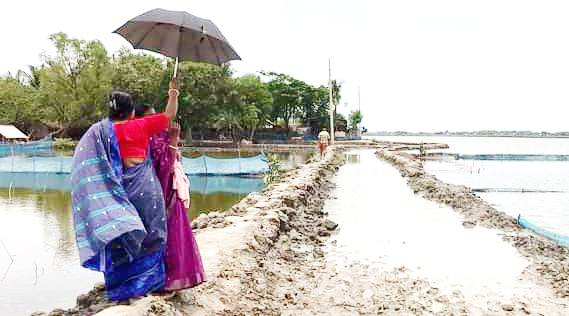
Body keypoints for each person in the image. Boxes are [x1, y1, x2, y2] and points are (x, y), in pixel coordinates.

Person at [71, 78, 179, 301]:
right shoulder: (140, 125)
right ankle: (149, 284)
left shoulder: (98, 131)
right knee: (152, 233)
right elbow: (169, 116)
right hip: (145, 188)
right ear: (131, 112)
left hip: (118, 191)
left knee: (122, 234)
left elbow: (85, 162)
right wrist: (173, 93)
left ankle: (121, 288)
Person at [135, 103, 206, 292]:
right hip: (158, 193)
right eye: (149, 116)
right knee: (164, 235)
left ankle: (164, 279)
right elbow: (164, 166)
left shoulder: (154, 136)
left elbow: (171, 160)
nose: (155, 120)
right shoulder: (145, 138)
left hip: (161, 192)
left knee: (165, 236)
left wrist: (172, 140)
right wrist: (173, 140)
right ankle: (161, 281)